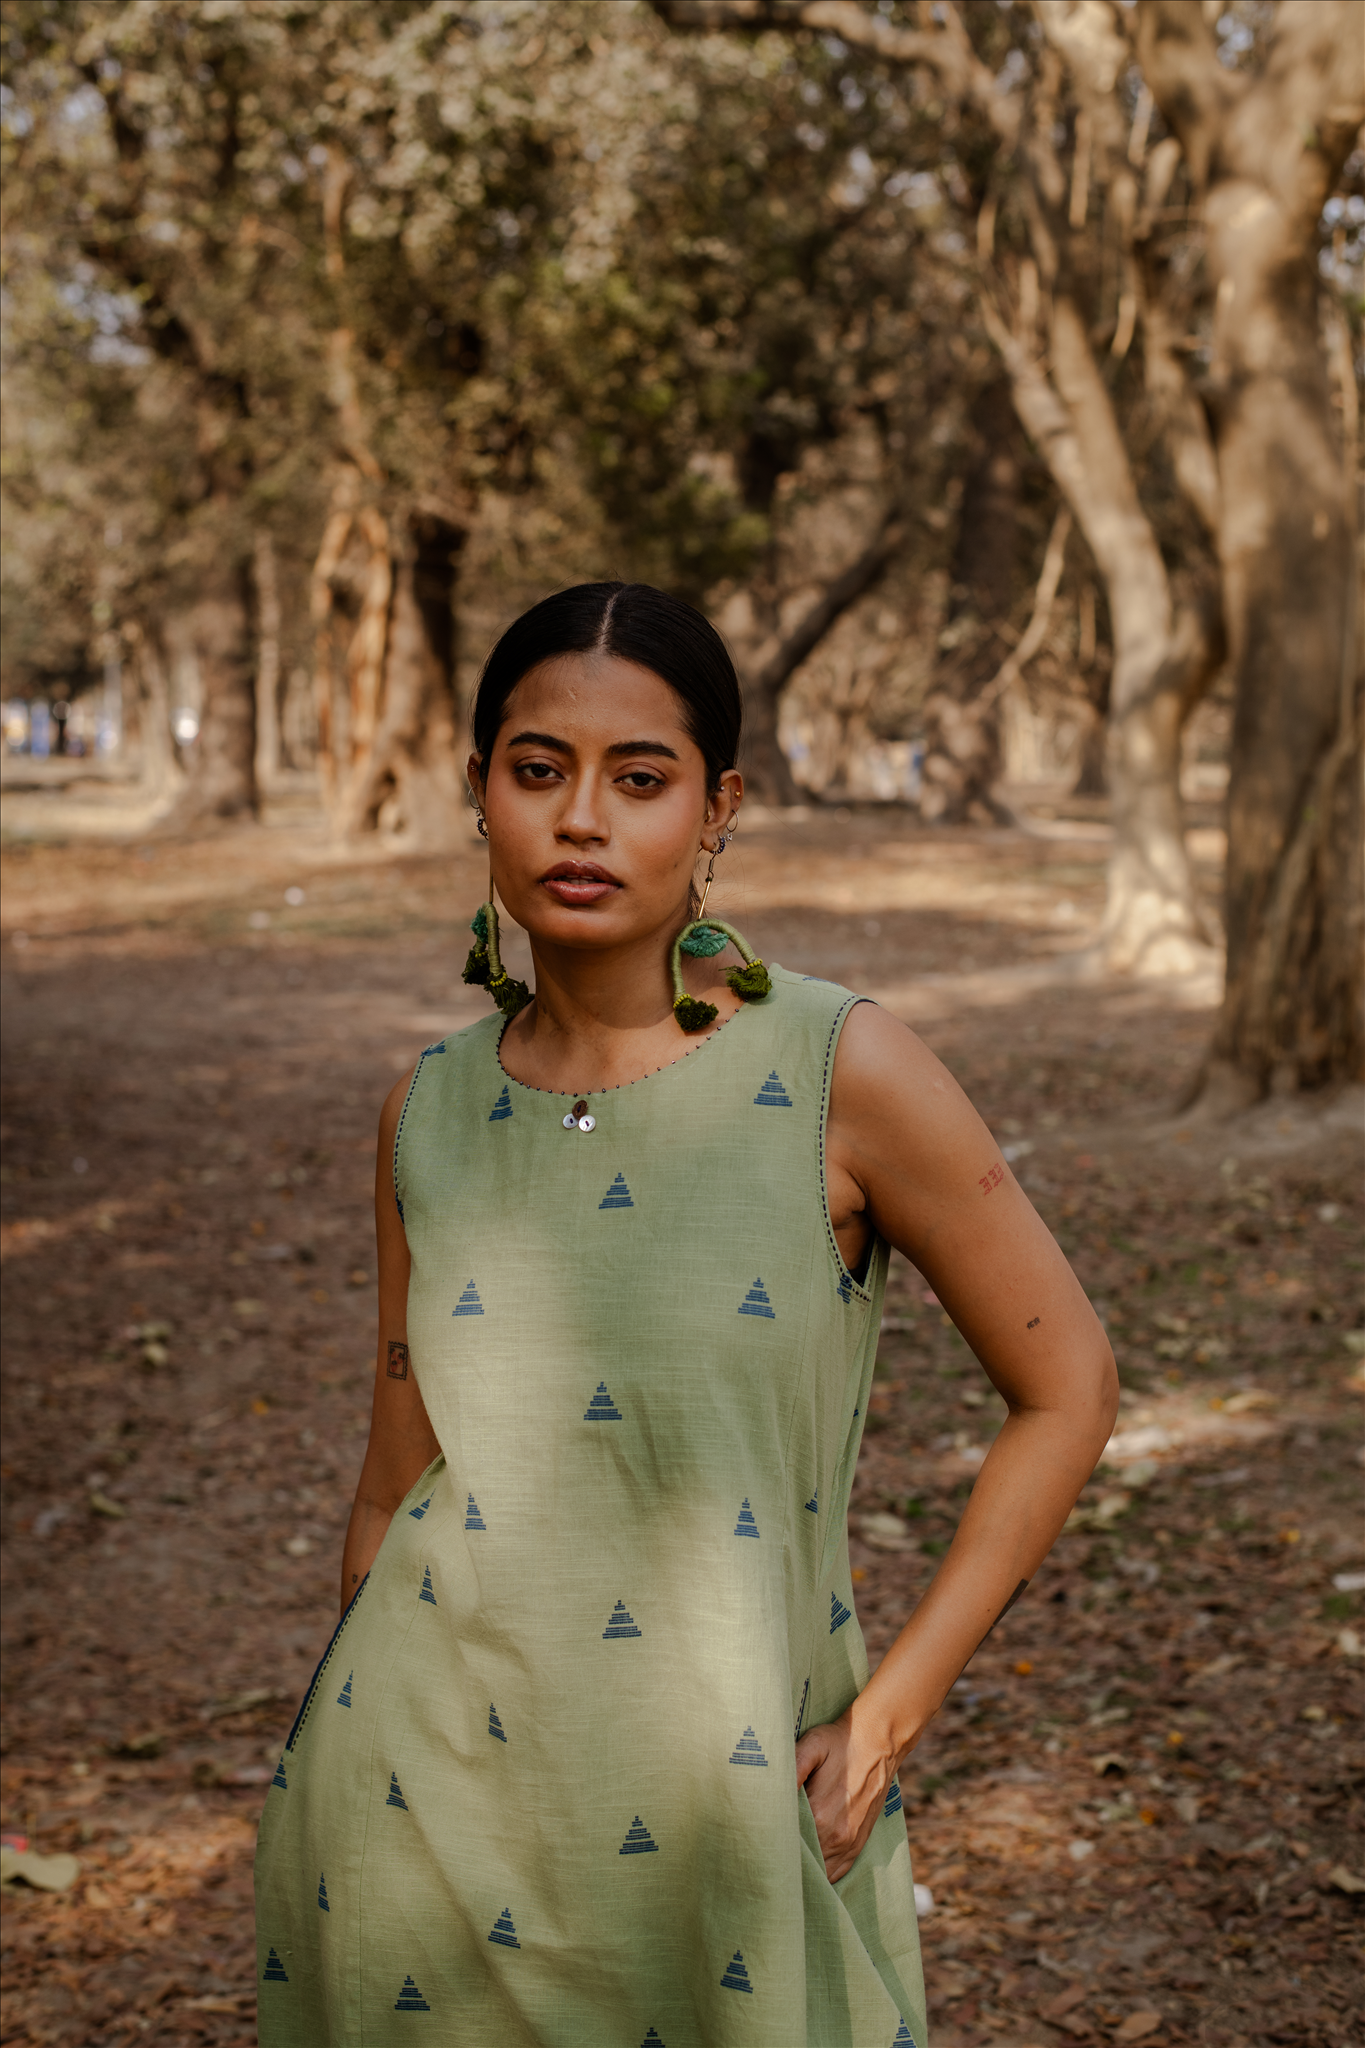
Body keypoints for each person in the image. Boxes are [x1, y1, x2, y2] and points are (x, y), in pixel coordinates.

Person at [254, 582, 1117, 2048]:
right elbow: (396, 1479)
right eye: (538, 771)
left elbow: (1071, 1387)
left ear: (719, 808)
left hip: (728, 1817)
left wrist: (888, 1719)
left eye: (640, 779)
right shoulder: (429, 1109)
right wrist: (342, 1753)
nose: (581, 820)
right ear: (478, 792)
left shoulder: (843, 1071)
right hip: (420, 1816)